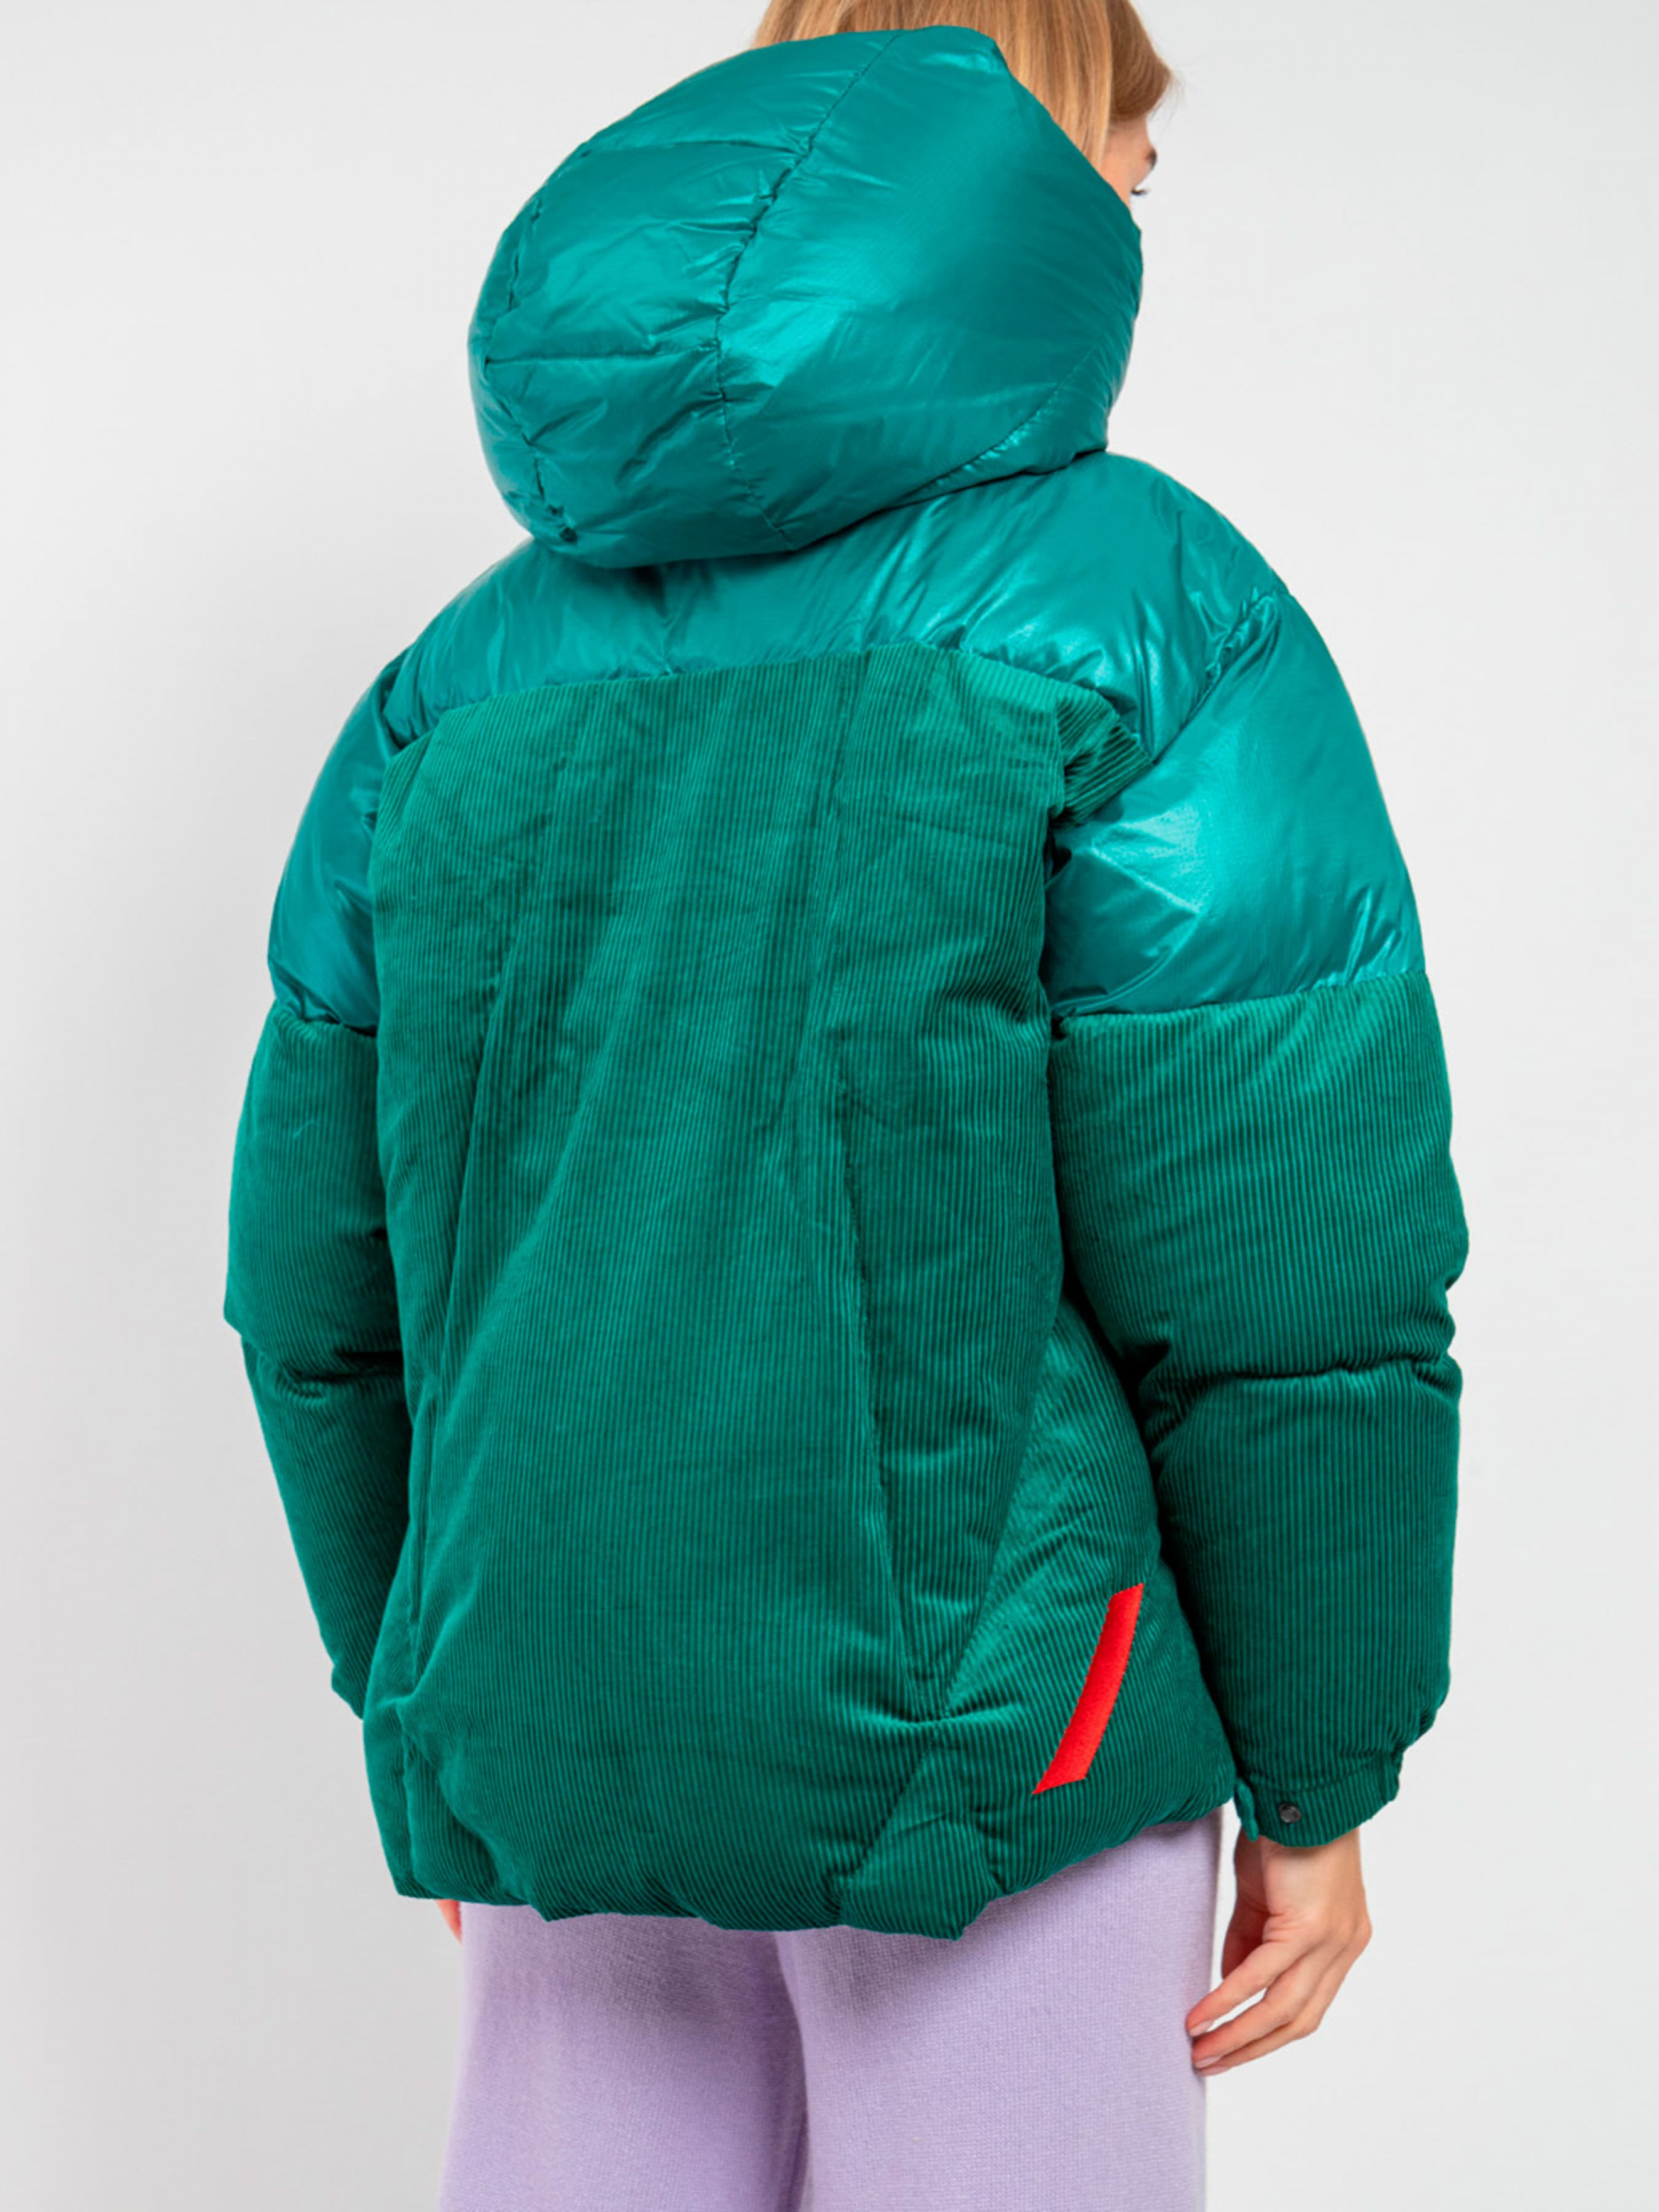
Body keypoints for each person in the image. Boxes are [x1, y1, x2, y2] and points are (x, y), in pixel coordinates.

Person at [223, 2, 1468, 2205]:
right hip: (1007, 1743)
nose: (1141, 190)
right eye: (1130, 136)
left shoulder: (451, 684)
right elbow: (1277, 1272)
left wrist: (439, 1713)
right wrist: (1316, 1773)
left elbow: (323, 1296)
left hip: (557, 1713)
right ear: (1038, 122)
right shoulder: (1149, 615)